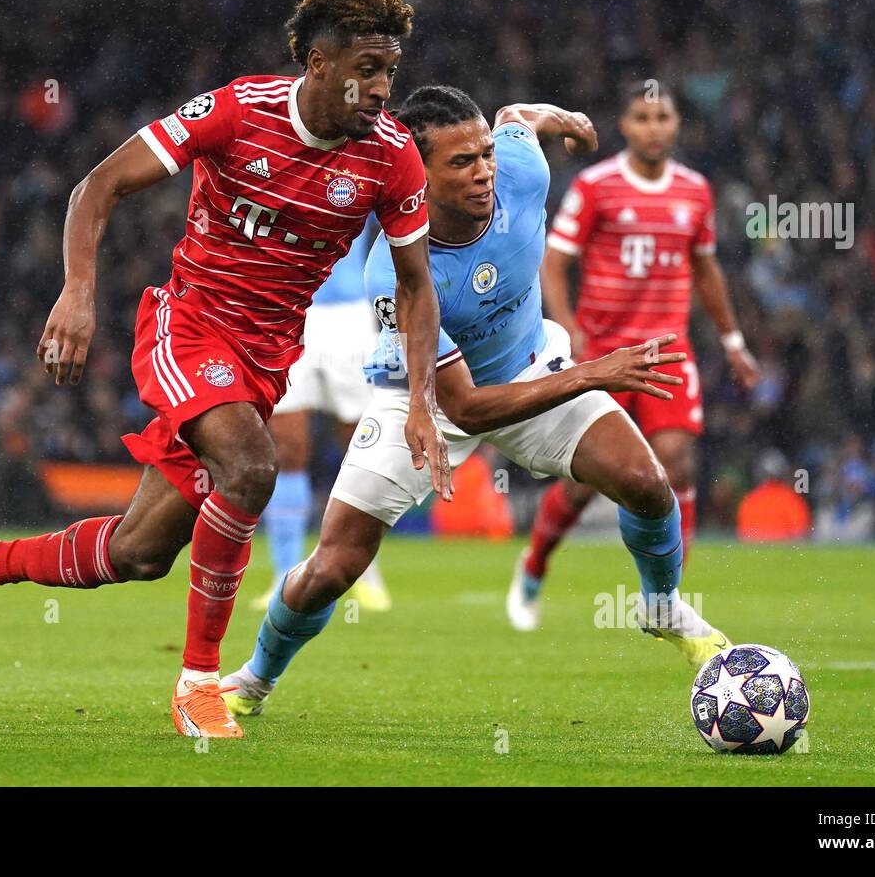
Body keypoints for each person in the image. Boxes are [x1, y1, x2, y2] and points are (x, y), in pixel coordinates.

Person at [0, 0, 451, 739]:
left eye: (390, 70)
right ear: (319, 64)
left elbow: (418, 287)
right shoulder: (238, 111)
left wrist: (422, 399)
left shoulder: (391, 157)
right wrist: (78, 293)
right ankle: (198, 683)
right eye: (368, 69)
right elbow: (98, 186)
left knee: (138, 552)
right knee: (253, 469)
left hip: (265, 360)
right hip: (188, 328)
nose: (384, 88)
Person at [221, 86, 729, 718]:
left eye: (484, 154)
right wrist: (593, 374)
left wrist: (563, 116)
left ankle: (660, 606)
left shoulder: (521, 171)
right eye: (461, 163)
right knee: (333, 566)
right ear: (416, 171)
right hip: (426, 401)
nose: (483, 171)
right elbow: (467, 409)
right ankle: (252, 681)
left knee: (646, 482)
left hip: (531, 365)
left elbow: (516, 115)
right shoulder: (400, 273)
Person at [512, 80, 760, 631]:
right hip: (603, 352)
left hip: (668, 350)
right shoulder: (597, 186)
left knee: (676, 464)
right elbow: (553, 262)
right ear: (624, 126)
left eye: (663, 116)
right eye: (642, 117)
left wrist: (733, 341)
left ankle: (668, 597)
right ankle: (532, 566)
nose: (654, 127)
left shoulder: (695, 191)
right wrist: (569, 329)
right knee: (584, 484)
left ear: (677, 125)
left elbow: (706, 269)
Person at [255, 218, 393, 613]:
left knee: (364, 448)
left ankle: (365, 570)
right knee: (288, 450)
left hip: (350, 315)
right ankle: (284, 573)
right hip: (288, 311)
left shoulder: (365, 156)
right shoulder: (274, 160)